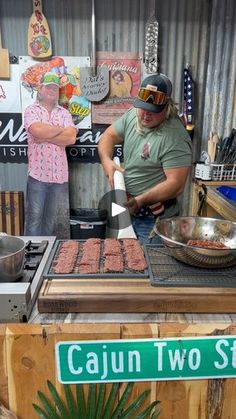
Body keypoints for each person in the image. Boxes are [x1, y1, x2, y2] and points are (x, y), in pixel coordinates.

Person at [98, 73, 192, 244]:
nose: (145, 116)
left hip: (154, 219)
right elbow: (109, 135)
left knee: (150, 265)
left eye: (153, 111)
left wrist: (140, 201)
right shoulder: (133, 115)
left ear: (167, 106)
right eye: (143, 108)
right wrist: (106, 161)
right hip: (128, 208)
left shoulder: (175, 137)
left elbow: (176, 185)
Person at [24, 71, 77, 238]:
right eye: (48, 87)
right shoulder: (31, 110)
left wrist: (47, 135)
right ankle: (32, 257)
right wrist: (60, 131)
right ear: (40, 89)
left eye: (55, 88)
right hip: (38, 175)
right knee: (34, 219)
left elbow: (71, 137)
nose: (52, 90)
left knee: (50, 220)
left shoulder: (64, 113)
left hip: (59, 177)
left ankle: (45, 252)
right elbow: (36, 130)